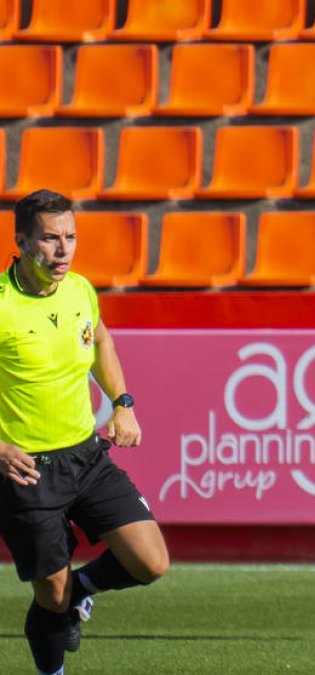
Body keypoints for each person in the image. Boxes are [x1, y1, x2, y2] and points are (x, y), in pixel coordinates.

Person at [0, 189, 169, 675]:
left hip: (86, 457)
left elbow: (101, 340)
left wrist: (122, 403)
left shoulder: (80, 290)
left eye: (70, 237)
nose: (63, 250)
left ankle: (83, 591)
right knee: (51, 598)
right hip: (29, 472)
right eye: (49, 239)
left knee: (151, 562)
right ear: (22, 242)